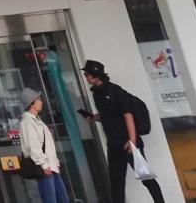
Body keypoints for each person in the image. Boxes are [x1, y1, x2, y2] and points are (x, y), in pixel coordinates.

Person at [81, 60, 166, 203]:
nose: (85, 77)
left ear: (96, 75)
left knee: (146, 178)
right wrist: (93, 118)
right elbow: (108, 115)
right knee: (116, 183)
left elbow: (128, 115)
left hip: (129, 143)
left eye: (87, 74)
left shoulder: (115, 91)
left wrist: (132, 141)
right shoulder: (97, 94)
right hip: (113, 145)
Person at [20, 92, 72, 203]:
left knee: (62, 198)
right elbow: (33, 146)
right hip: (43, 167)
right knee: (51, 199)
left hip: (50, 166)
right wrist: (44, 165)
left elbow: (47, 146)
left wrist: (55, 163)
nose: (41, 102)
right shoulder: (28, 122)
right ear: (31, 103)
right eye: (38, 100)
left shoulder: (37, 120)